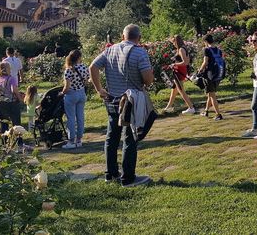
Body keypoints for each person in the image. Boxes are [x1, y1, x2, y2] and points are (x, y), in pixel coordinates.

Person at [89, 24, 155, 187]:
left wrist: (99, 89)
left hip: (112, 99)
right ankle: (128, 178)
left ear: (122, 35)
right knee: (130, 137)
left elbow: (93, 67)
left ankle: (110, 174)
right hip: (130, 100)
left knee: (112, 137)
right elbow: (148, 79)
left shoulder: (110, 50)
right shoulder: (140, 52)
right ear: (139, 38)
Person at [61, 49, 89, 149]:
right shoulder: (84, 67)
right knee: (80, 117)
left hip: (71, 94)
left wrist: (62, 93)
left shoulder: (69, 70)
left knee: (71, 118)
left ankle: (71, 141)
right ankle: (79, 140)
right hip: (81, 93)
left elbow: (67, 87)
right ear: (79, 57)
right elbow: (86, 82)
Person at [0, 61, 24, 151]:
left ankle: (4, 144)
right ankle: (19, 143)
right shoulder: (11, 78)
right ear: (8, 69)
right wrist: (20, 99)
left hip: (0, 103)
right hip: (11, 103)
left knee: (4, 124)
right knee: (16, 124)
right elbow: (14, 90)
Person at [163, 35, 197, 115]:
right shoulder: (184, 48)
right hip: (181, 70)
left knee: (181, 90)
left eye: (173, 42)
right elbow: (187, 61)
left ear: (176, 41)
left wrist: (174, 64)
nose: (173, 44)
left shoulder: (181, 49)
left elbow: (185, 62)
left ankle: (191, 107)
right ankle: (168, 107)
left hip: (179, 71)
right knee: (174, 90)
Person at [197, 34, 224, 120]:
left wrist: (200, 70)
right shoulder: (218, 50)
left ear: (205, 41)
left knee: (212, 95)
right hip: (218, 74)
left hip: (209, 75)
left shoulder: (206, 50)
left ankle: (218, 115)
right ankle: (206, 111)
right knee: (210, 93)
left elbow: (205, 62)